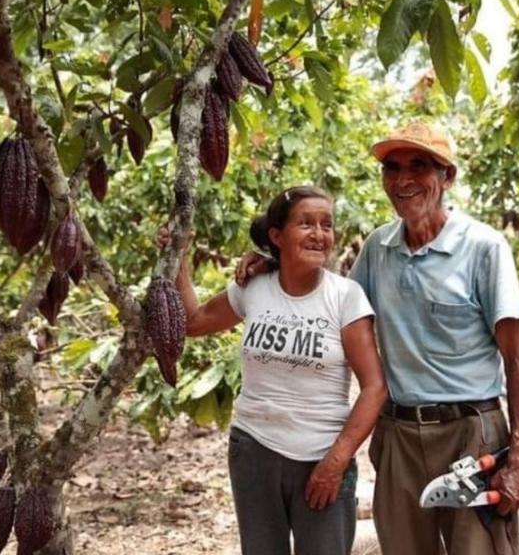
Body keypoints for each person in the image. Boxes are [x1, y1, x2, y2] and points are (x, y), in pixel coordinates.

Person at [237, 122, 519, 555]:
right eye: (392, 168)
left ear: (447, 176)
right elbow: (332, 302)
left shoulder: (483, 248)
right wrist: (274, 260)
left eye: (420, 166)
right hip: (397, 435)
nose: (403, 179)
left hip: (472, 432)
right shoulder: (379, 248)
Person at [163, 186, 387, 555]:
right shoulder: (255, 287)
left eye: (327, 225)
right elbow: (193, 321)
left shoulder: (345, 297)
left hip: (322, 454)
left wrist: (336, 462)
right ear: (276, 236)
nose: (319, 234)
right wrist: (179, 257)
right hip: (255, 450)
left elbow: (375, 387)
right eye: (306, 224)